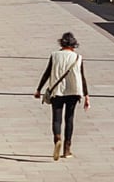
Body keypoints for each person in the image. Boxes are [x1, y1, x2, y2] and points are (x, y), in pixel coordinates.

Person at [35, 31, 90, 160]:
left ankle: (57, 138)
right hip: (73, 91)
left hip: (57, 92)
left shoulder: (54, 55)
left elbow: (47, 73)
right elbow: (82, 77)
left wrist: (38, 89)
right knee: (69, 119)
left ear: (61, 43)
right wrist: (86, 95)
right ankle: (67, 149)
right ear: (74, 45)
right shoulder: (78, 57)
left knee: (56, 119)